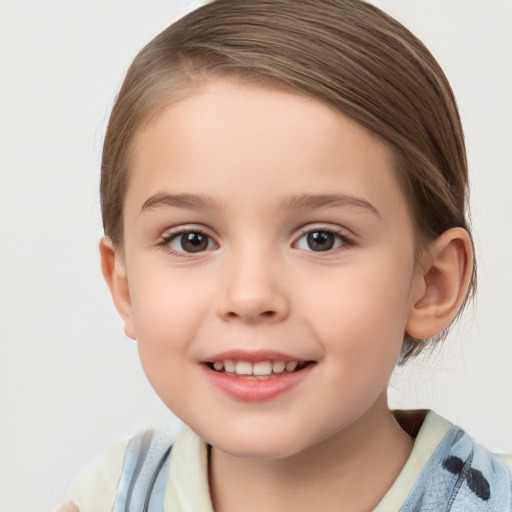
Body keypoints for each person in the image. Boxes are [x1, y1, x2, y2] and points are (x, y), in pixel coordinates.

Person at [56, 0, 512, 510]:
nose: (250, 296)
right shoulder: (106, 497)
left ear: (431, 283)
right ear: (124, 287)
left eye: (322, 238)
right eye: (192, 240)